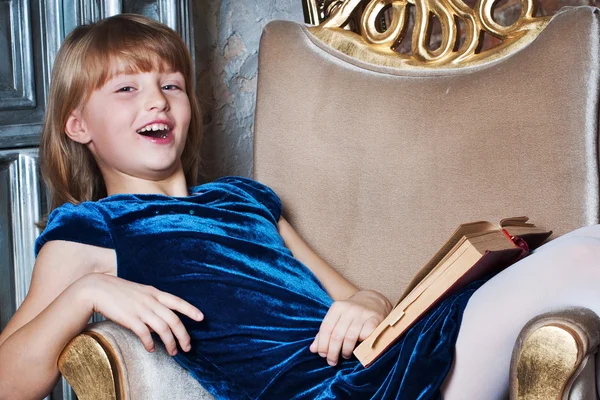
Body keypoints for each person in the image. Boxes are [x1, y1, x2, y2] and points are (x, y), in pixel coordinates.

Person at [0, 13, 599, 400]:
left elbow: (362, 297)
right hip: (326, 394)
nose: (155, 101)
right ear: (77, 125)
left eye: (171, 85)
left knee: (581, 249)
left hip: (376, 366)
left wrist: (363, 306)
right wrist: (86, 296)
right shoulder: (92, 229)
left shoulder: (245, 200)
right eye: (126, 88)